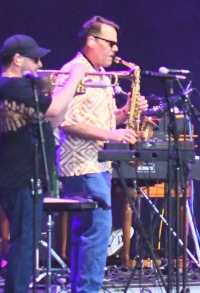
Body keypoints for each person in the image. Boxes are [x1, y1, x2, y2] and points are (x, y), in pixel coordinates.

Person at [54, 16, 145, 293]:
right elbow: (65, 121)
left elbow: (105, 121)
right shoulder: (73, 71)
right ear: (91, 41)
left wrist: (126, 111)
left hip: (97, 164)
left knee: (91, 234)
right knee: (96, 233)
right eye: (110, 43)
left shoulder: (102, 75)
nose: (115, 49)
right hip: (80, 165)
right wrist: (111, 135)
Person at [0, 34, 85, 293]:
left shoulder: (25, 89)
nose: (40, 65)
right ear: (17, 59)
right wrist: (74, 78)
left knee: (28, 242)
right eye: (35, 59)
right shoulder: (11, 86)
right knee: (24, 244)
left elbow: (53, 120)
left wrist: (64, 92)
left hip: (31, 174)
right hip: (18, 174)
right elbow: (53, 110)